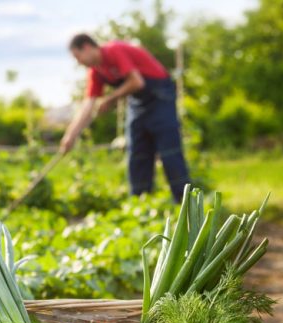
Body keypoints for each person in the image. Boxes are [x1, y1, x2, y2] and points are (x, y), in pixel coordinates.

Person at [60, 33, 190, 202]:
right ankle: (140, 204)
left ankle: (184, 203)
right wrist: (70, 136)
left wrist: (111, 99)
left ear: (86, 46)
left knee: (169, 151)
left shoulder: (114, 50)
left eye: (77, 57)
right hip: (137, 102)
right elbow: (88, 105)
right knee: (137, 153)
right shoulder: (96, 71)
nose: (78, 62)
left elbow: (137, 82)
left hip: (160, 96)